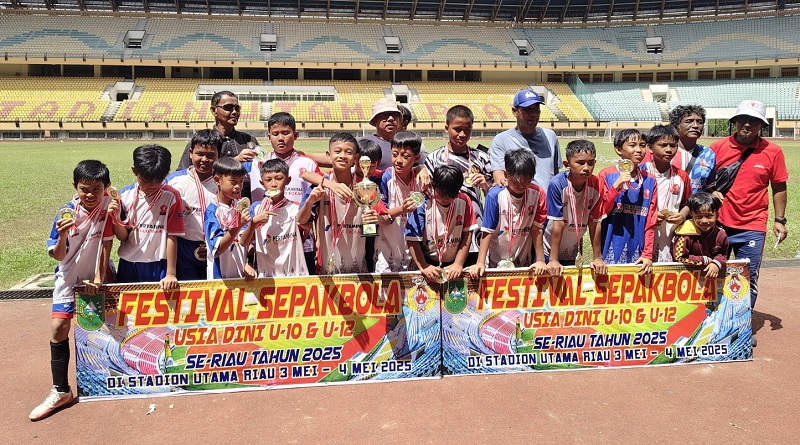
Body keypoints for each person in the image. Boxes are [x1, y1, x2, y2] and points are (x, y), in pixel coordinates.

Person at [30, 160, 117, 421]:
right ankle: (60, 390)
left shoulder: (107, 207)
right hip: (69, 279)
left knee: (107, 327)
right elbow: (57, 256)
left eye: (96, 189)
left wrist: (100, 276)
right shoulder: (66, 212)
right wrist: (61, 237)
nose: (90, 195)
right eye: (84, 189)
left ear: (106, 188)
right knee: (59, 328)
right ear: (75, 187)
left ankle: (114, 380)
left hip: (98, 277)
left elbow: (106, 244)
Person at [710, 100, 788, 312]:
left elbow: (779, 186)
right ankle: (711, 322)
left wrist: (779, 220)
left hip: (753, 225)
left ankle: (742, 326)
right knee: (713, 274)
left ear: (761, 125)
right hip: (718, 223)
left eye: (753, 121)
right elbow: (702, 183)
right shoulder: (717, 148)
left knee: (748, 276)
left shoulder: (773, 151)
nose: (747, 125)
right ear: (735, 122)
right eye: (742, 120)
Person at [298, 133, 388, 275]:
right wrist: (310, 202)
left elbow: (384, 220)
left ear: (356, 158)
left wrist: (375, 219)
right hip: (327, 265)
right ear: (329, 155)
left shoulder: (365, 187)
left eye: (349, 152)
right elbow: (301, 220)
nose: (342, 156)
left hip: (359, 266)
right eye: (338, 151)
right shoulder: (320, 185)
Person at [249, 112, 321, 273]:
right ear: (269, 137)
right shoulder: (258, 164)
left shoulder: (308, 164)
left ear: (295, 134)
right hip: (267, 239)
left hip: (302, 237)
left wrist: (319, 240)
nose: (280, 138)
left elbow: (317, 203)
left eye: (285, 133)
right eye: (275, 134)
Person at [424, 105, 491, 265]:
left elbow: (495, 194)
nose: (462, 134)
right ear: (447, 128)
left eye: (467, 130)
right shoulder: (434, 158)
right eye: (457, 129)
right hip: (442, 224)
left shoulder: (481, 157)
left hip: (473, 224)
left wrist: (485, 185)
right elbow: (427, 192)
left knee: (470, 274)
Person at [470, 149, 547, 278]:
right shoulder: (495, 195)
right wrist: (480, 262)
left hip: (523, 261)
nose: (522, 185)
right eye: (517, 180)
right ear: (506, 174)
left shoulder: (538, 193)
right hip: (495, 261)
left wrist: (540, 260)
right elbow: (487, 231)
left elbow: (537, 229)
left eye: (527, 180)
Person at [116, 144, 185, 290]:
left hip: (159, 264)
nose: (152, 185)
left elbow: (172, 236)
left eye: (158, 180)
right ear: (135, 171)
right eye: (146, 180)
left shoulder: (171, 196)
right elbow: (122, 236)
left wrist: (171, 273)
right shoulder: (124, 196)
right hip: (129, 263)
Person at [176, 91, 259, 198]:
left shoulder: (249, 140)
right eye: (228, 107)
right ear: (214, 110)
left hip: (245, 207)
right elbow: (183, 176)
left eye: (237, 108)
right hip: (210, 206)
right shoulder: (200, 142)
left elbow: (263, 172)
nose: (234, 112)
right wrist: (235, 161)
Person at [598, 129, 657, 275]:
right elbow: (600, 213)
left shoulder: (650, 179)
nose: (639, 150)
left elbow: (651, 220)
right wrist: (616, 187)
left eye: (642, 145)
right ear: (618, 149)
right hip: (611, 242)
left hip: (638, 246)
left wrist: (648, 253)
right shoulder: (606, 175)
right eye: (632, 145)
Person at [544, 140, 607, 276]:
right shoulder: (557, 184)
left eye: (590, 163)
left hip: (573, 248)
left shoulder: (596, 184)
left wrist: (597, 258)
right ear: (567, 164)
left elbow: (595, 222)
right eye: (580, 162)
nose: (586, 167)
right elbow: (558, 224)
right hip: (549, 248)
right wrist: (553, 259)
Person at [165, 129, 222, 280]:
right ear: (190, 153)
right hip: (182, 248)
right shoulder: (174, 181)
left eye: (211, 156)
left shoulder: (224, 182)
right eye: (199, 154)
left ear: (219, 156)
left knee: (214, 293)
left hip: (215, 247)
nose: (204, 159)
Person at [406, 165, 478, 283]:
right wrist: (423, 265)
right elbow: (412, 238)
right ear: (433, 186)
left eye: (451, 194)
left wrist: (458, 263)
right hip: (427, 263)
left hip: (454, 263)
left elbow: (467, 234)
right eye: (441, 193)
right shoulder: (423, 202)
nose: (446, 198)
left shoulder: (464, 200)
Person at [239, 159, 308, 277]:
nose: (274, 184)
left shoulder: (296, 209)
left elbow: (306, 233)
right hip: (266, 275)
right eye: (268, 180)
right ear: (262, 183)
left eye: (279, 178)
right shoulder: (255, 209)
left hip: (294, 275)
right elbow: (243, 242)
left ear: (288, 180)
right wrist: (253, 223)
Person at [489, 89, 561, 189]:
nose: (533, 114)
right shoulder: (501, 140)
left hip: (547, 203)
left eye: (536, 109)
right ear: (514, 111)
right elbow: (499, 178)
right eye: (527, 110)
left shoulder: (550, 136)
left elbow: (556, 174)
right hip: (519, 203)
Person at [640, 125, 691, 263]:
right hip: (644, 234)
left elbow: (688, 203)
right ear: (650, 148)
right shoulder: (640, 173)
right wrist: (651, 217)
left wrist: (682, 215)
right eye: (663, 145)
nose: (668, 149)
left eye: (673, 145)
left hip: (671, 234)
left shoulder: (682, 176)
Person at [375, 131, 424, 273]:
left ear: (417, 157)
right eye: (395, 154)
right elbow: (382, 218)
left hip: (415, 251)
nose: (398, 160)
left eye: (405, 156)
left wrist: (422, 168)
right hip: (387, 248)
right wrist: (402, 210)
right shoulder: (386, 178)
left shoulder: (422, 179)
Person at [204, 157, 255, 280]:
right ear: (217, 180)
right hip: (219, 278)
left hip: (242, 276)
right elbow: (218, 249)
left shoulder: (242, 206)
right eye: (233, 182)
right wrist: (238, 225)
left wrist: (249, 263)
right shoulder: (212, 211)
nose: (238, 186)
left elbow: (246, 242)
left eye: (241, 181)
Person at [672, 192, 728, 278]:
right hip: (687, 278)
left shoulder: (721, 234)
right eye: (699, 217)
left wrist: (716, 263)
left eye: (709, 216)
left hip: (711, 280)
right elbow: (678, 257)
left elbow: (723, 253)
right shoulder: (685, 234)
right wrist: (703, 260)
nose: (704, 221)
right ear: (691, 215)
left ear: (717, 215)